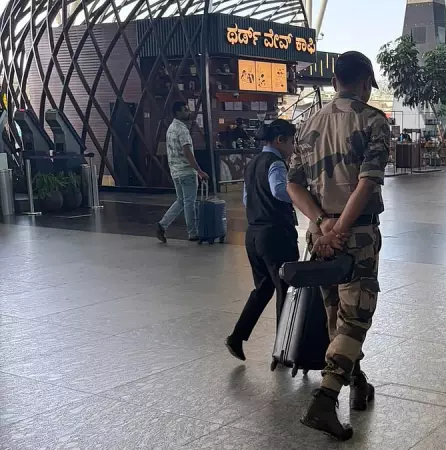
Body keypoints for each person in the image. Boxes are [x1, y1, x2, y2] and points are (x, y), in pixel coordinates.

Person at [287, 50, 388, 441]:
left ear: (334, 82)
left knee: (336, 316)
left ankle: (357, 382)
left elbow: (293, 184)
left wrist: (322, 225)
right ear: (364, 84)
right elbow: (367, 181)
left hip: (320, 237)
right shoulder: (373, 120)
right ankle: (325, 401)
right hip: (355, 235)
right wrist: (342, 229)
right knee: (356, 318)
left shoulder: (307, 124)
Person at [225, 120, 300, 361]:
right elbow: (279, 190)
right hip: (276, 235)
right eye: (292, 141)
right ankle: (282, 349)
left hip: (254, 235)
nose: (293, 147)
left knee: (264, 287)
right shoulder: (275, 162)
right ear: (280, 140)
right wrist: (300, 195)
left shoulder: (253, 163)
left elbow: (247, 199)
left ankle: (237, 336)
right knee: (286, 289)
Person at [156, 101, 208, 243]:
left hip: (175, 172)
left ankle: (162, 225)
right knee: (189, 202)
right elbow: (187, 153)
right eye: (185, 110)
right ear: (177, 112)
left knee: (181, 201)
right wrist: (199, 171)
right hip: (187, 172)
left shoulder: (171, 128)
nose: (188, 112)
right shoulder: (182, 130)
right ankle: (192, 233)